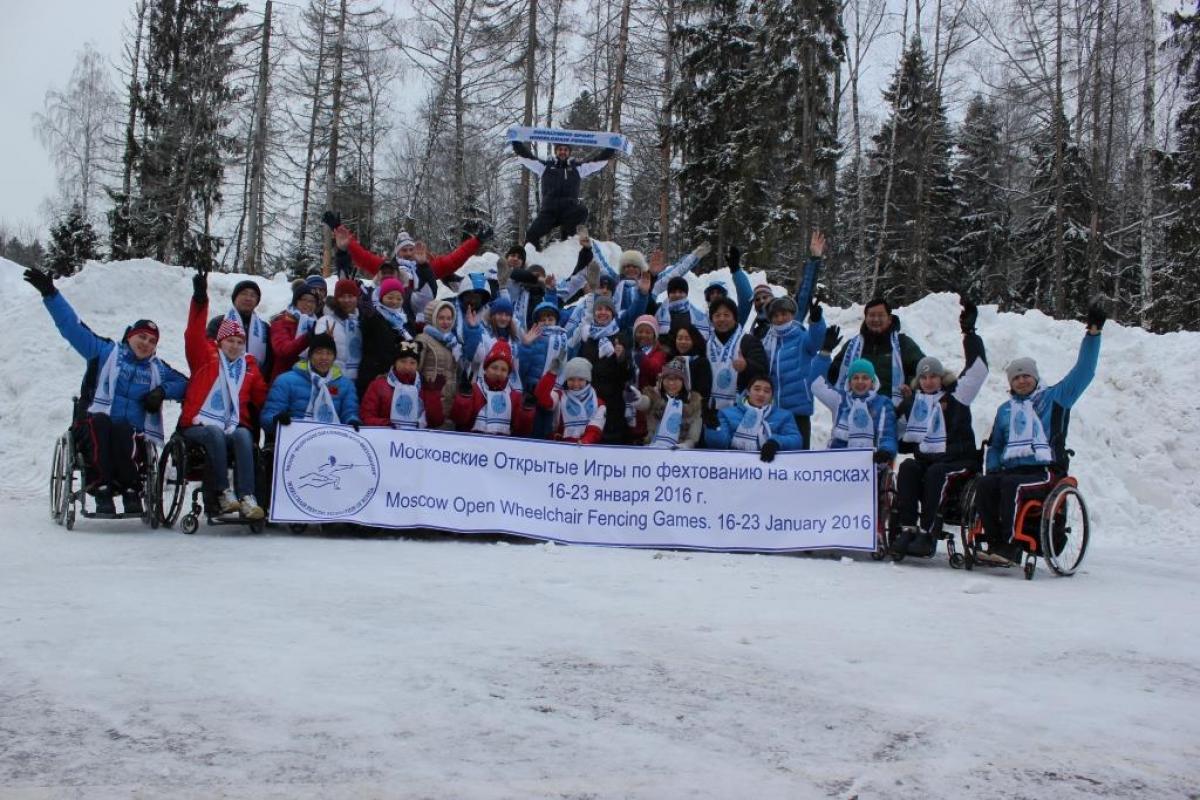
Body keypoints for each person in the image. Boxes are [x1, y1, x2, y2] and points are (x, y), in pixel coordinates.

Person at [25, 268, 187, 516]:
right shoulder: (105, 353)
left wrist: (162, 391)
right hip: (92, 425)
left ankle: (131, 488)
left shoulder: (158, 369)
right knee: (102, 423)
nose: (146, 343)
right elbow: (73, 328)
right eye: (141, 337)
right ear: (130, 336)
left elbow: (186, 384)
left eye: (152, 341)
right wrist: (51, 294)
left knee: (123, 429)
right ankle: (101, 484)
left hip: (131, 435)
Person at [972, 303, 1105, 566]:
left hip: (1044, 471)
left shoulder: (1055, 398)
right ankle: (994, 542)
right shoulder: (1006, 410)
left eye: (1026, 376)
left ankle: (1009, 547)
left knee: (1012, 486)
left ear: (1035, 377)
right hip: (1011, 469)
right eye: (1016, 377)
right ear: (1010, 383)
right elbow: (997, 444)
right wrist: (994, 468)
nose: (1021, 380)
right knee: (986, 484)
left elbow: (1084, 373)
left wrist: (1093, 336)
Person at [892, 298, 988, 558]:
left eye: (933, 376)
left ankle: (928, 532)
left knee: (935, 473)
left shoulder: (957, 395)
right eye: (923, 377)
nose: (928, 381)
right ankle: (907, 528)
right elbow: (901, 438)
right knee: (909, 467)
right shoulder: (915, 404)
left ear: (940, 377)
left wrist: (970, 334)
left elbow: (978, 370)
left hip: (958, 460)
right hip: (927, 461)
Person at [182, 270, 270, 520]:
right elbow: (193, 333)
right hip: (198, 424)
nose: (234, 346)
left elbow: (263, 398)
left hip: (232, 425)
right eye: (229, 341)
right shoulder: (205, 358)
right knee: (214, 433)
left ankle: (246, 497)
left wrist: (281, 414)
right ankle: (222, 492)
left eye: (239, 342)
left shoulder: (249, 366)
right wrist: (200, 299)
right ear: (219, 343)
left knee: (244, 434)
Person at [511, 140, 616, 248]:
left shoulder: (577, 168)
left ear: (569, 152)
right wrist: (516, 142)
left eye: (565, 150)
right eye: (560, 149)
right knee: (532, 234)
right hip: (549, 211)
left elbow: (596, 162)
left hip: (568, 210)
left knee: (582, 210)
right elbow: (527, 157)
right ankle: (534, 257)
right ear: (556, 152)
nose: (563, 152)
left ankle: (567, 242)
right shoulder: (545, 167)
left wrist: (611, 148)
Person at [828, 297, 926, 408]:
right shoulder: (852, 346)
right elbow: (833, 376)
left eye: (880, 315)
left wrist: (910, 385)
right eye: (872, 315)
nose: (876, 319)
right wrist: (825, 354)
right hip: (856, 412)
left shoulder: (903, 344)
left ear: (889, 319)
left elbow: (925, 371)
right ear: (865, 319)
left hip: (893, 412)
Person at [760, 294, 827, 450]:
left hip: (799, 409)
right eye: (775, 315)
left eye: (784, 314)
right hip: (775, 410)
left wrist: (816, 321)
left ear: (792, 315)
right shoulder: (768, 341)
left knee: (799, 457)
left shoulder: (802, 336)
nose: (780, 318)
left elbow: (816, 342)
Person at [261, 333, 362, 431]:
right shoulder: (285, 381)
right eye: (319, 352)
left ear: (334, 358)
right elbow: (267, 419)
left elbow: (350, 413)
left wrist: (352, 421)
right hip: (295, 440)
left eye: (329, 353)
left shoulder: (346, 385)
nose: (324, 358)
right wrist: (276, 419)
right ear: (310, 356)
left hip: (332, 441)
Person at [810, 357, 898, 463]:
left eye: (865, 378)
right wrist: (824, 354)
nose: (860, 382)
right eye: (855, 378)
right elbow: (816, 384)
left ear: (872, 381)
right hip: (839, 464)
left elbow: (888, 434)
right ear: (849, 382)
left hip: (872, 464)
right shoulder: (840, 400)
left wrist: (886, 451)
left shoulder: (883, 403)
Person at [573, 296, 634, 443]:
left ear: (613, 314)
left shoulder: (622, 337)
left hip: (612, 403)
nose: (603, 312)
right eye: (599, 309)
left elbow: (628, 375)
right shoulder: (587, 338)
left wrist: (621, 358)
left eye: (607, 309)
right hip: (589, 400)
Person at [703, 372, 802, 461]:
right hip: (735, 467)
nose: (761, 394)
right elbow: (719, 445)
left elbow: (796, 440)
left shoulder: (784, 416)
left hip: (771, 469)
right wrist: (714, 428)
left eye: (767, 391)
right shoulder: (727, 414)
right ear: (748, 392)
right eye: (757, 389)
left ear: (772, 396)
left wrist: (776, 443)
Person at [450, 341, 532, 435]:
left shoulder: (515, 397)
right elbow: (459, 421)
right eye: (494, 368)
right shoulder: (474, 390)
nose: (498, 373)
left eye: (503, 370)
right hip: (472, 444)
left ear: (508, 374)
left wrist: (527, 411)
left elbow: (522, 431)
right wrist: (464, 398)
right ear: (486, 369)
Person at [705, 295, 768, 412]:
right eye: (717, 315)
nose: (722, 319)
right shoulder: (706, 344)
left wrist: (746, 366)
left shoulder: (749, 341)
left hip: (740, 410)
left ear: (735, 318)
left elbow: (763, 371)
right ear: (712, 319)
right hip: (709, 410)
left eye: (726, 315)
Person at [357, 276, 413, 395]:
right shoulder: (374, 317)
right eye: (390, 297)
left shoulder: (403, 321)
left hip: (397, 377)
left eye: (399, 298)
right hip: (373, 376)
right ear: (382, 298)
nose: (394, 302)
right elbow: (366, 329)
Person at [206, 278, 272, 375]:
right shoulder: (218, 322)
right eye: (244, 293)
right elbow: (209, 351)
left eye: (253, 295)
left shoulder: (265, 328)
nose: (248, 298)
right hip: (222, 378)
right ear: (235, 298)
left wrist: (256, 376)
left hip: (255, 381)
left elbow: (269, 360)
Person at [535, 356, 606, 444]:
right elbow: (542, 399)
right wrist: (551, 374)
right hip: (559, 446)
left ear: (587, 380)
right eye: (571, 379)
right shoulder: (560, 395)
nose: (576, 384)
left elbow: (595, 430)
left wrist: (584, 441)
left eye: (581, 379)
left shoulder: (599, 403)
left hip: (585, 448)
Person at [415, 299, 463, 429]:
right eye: (441, 318)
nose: (446, 322)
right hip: (429, 404)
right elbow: (415, 369)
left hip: (448, 404)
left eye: (449, 318)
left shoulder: (453, 343)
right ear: (432, 318)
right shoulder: (422, 339)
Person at [637, 358, 703, 449]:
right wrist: (636, 399)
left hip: (680, 451)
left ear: (684, 382)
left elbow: (693, 436)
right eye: (668, 379)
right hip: (653, 446)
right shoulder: (655, 397)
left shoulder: (693, 403)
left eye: (676, 379)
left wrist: (685, 446)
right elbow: (644, 404)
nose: (671, 383)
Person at [361, 340, 427, 429]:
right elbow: (366, 416)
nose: (407, 367)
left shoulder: (422, 386)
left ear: (417, 365)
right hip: (385, 437)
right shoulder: (378, 385)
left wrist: (434, 395)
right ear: (395, 363)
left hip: (415, 439)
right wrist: (387, 424)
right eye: (403, 361)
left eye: (412, 363)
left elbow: (435, 421)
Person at [653, 242, 714, 338]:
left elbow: (675, 272)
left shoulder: (698, 316)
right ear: (668, 294)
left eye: (681, 292)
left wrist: (694, 256)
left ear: (686, 294)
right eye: (673, 292)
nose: (677, 295)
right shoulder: (658, 312)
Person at [314, 278, 363, 382]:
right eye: (342, 297)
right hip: (334, 380)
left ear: (357, 298)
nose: (347, 300)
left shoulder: (364, 321)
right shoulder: (326, 321)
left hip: (361, 380)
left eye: (350, 296)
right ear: (336, 299)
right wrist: (325, 340)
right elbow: (318, 350)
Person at [269, 282, 320, 381]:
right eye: (304, 299)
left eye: (312, 301)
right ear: (296, 301)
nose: (308, 304)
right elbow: (282, 350)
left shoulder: (316, 323)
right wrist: (308, 337)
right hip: (284, 379)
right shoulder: (281, 322)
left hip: (308, 380)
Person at [668, 323, 712, 405]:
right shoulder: (671, 360)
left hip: (693, 413)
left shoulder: (701, 362)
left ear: (695, 341)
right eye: (679, 338)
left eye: (687, 339)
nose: (683, 342)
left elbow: (703, 394)